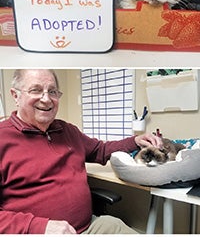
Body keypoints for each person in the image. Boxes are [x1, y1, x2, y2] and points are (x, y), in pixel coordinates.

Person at [0, 69, 163, 234]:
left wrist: (135, 141)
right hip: (36, 233)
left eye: (52, 91)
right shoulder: (2, 139)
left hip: (90, 227)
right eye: (36, 90)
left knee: (115, 224)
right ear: (16, 95)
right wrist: (40, 227)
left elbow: (101, 150)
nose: (46, 99)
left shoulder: (68, 130)